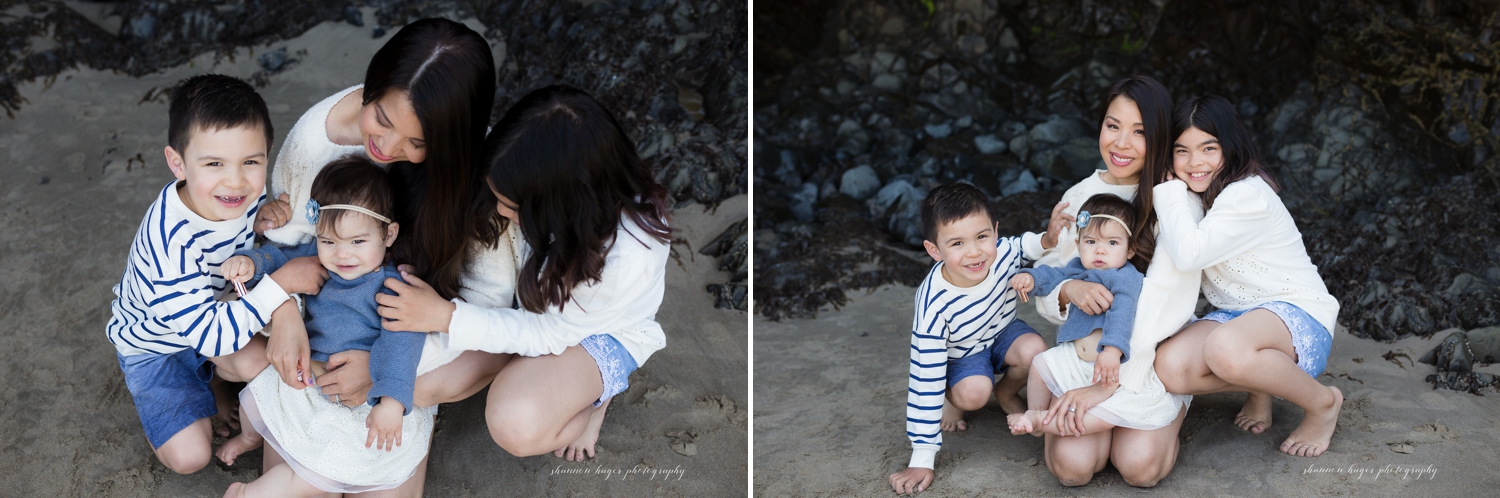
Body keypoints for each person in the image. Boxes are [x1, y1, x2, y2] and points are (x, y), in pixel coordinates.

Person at [252, 18, 507, 496]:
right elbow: (285, 245)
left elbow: (491, 309)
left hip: (414, 337)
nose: (387, 148)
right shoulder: (317, 139)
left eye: (418, 144)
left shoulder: (479, 175)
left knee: (485, 357)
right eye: (384, 122)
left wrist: (388, 373)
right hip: (325, 330)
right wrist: (284, 313)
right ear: (372, 84)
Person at [378, 85, 673, 463]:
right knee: (418, 386)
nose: (499, 212)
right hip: (539, 308)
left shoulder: (625, 257)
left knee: (515, 422)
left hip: (594, 331)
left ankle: (596, 399)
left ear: (557, 205)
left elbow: (546, 333)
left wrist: (444, 316)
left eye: (511, 205)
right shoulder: (552, 173)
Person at [105, 74, 326, 475]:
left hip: (214, 312)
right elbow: (211, 335)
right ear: (178, 163)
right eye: (214, 164)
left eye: (251, 162)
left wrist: (264, 217)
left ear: (266, 153)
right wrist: (282, 285)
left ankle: (215, 381)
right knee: (190, 458)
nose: (235, 181)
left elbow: (245, 234)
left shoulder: (242, 194)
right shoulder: (170, 243)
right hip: (157, 346)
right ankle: (202, 386)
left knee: (262, 362)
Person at [1021, 75, 1201, 488]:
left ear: (1159, 137)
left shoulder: (1174, 199)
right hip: (1087, 358)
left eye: (1139, 132)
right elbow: (1051, 285)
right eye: (1112, 125)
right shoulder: (1080, 195)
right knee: (1072, 467)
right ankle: (1087, 418)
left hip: (1147, 358)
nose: (1121, 143)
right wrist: (1069, 290)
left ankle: (1171, 408)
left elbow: (1165, 305)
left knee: (1139, 467)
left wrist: (1107, 389)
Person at [217, 157, 431, 496]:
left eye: (358, 242)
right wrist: (252, 262)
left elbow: (402, 343)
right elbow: (279, 256)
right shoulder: (318, 260)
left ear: (388, 234)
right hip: (309, 378)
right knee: (262, 400)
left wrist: (391, 401)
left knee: (333, 459)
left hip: (359, 395)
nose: (342, 255)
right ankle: (249, 439)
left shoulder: (392, 287)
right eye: (329, 241)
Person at [1151, 95, 1342, 457]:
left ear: (1231, 145)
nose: (1195, 163)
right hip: (1238, 318)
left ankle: (1323, 404)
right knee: (1170, 368)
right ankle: (1260, 385)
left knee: (1225, 349)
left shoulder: (1246, 195)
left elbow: (1190, 255)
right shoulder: (1202, 194)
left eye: (1209, 148)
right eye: (1182, 151)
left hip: (1297, 314)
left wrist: (1168, 190)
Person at [887, 182, 1048, 496]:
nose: (974, 252)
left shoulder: (1001, 254)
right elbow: (924, 374)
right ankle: (954, 399)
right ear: (935, 250)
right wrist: (923, 457)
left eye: (982, 237)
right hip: (962, 355)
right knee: (974, 394)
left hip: (1002, 334)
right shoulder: (933, 302)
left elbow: (1026, 246)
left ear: (995, 232)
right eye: (957, 243)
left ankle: (1006, 393)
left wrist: (1049, 238)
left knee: (1036, 351)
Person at [1007, 194, 1183, 437]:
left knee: (1098, 419)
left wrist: (1112, 351)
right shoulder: (1078, 268)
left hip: (1111, 367)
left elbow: (1123, 312)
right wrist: (1031, 278)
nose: (1100, 250)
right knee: (1040, 364)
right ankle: (1037, 415)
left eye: (1112, 243)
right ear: (1078, 244)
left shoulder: (1125, 278)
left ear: (1130, 249)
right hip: (1076, 359)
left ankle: (1039, 421)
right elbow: (1053, 276)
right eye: (1091, 242)